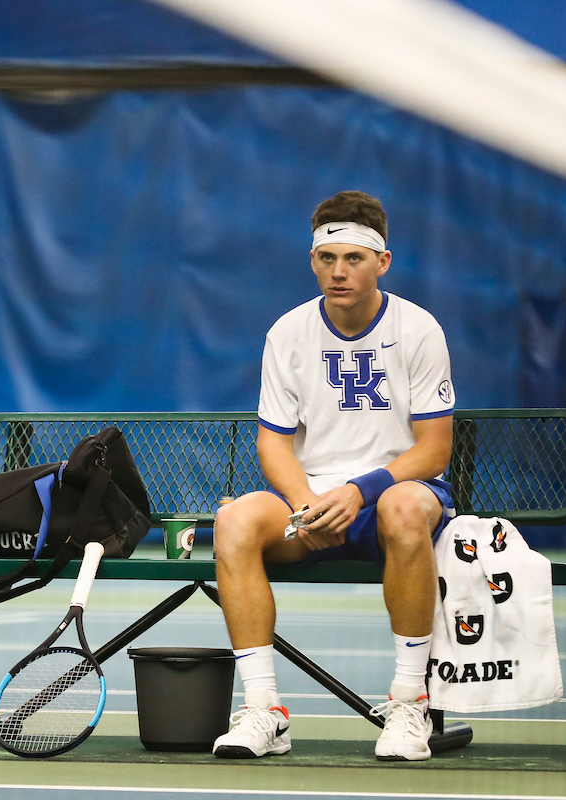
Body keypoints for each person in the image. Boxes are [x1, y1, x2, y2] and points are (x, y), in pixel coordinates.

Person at [211, 191, 455, 762]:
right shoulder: (288, 333)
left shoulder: (419, 330)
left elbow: (435, 449)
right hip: (311, 502)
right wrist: (305, 505)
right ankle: (263, 710)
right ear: (312, 260)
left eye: (354, 258)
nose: (338, 272)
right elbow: (272, 440)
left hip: (395, 494)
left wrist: (357, 491)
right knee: (235, 521)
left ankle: (408, 703)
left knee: (402, 509)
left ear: (383, 262)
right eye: (326, 259)